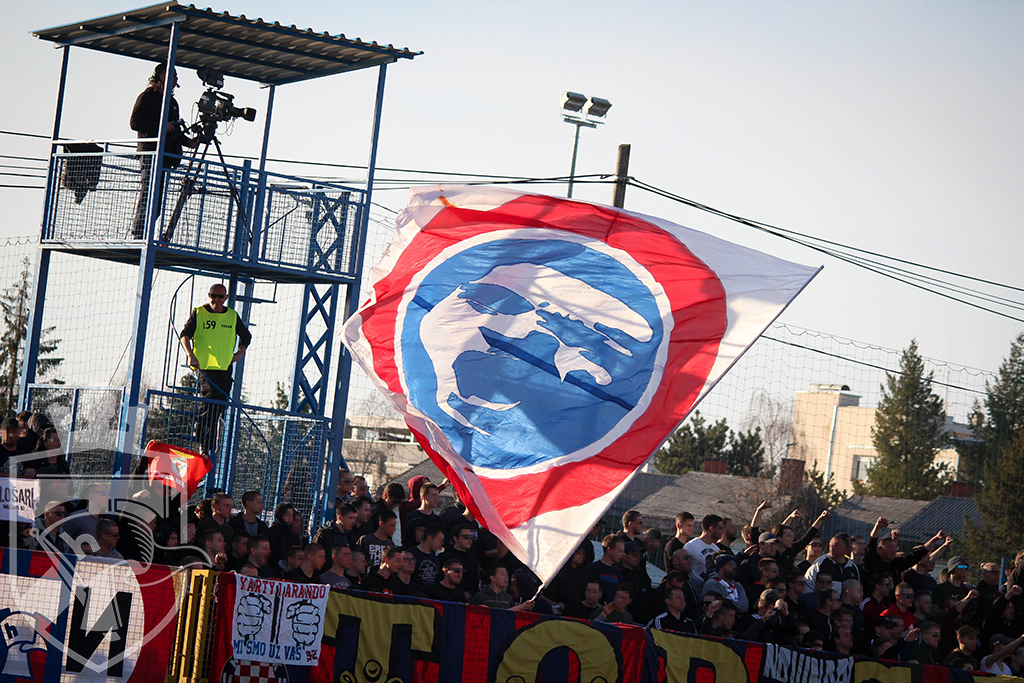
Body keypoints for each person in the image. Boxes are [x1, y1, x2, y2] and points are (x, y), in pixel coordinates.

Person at [179, 283, 251, 459]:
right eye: (213, 296)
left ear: (225, 298)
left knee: (220, 404)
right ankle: (203, 441)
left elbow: (246, 336)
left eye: (220, 297)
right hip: (204, 366)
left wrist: (239, 353)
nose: (216, 300)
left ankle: (209, 442)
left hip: (224, 367)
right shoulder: (199, 313)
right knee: (210, 398)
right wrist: (190, 355)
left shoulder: (232, 316)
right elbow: (184, 335)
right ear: (209, 295)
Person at [129, 62, 197, 239]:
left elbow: (175, 132)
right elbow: (135, 123)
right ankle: (138, 235)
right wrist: (161, 127)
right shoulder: (147, 97)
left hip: (166, 156)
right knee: (148, 195)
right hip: (151, 153)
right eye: (172, 74)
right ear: (161, 76)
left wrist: (189, 143)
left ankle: (146, 234)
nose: (176, 78)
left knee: (157, 200)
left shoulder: (172, 102)